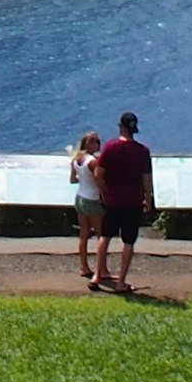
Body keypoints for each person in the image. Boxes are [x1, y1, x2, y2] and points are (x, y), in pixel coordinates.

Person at [93, 113, 154, 294]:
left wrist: (103, 191)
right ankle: (121, 282)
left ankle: (97, 275)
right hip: (133, 202)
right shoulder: (142, 151)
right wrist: (148, 199)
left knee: (105, 236)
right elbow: (146, 179)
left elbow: (98, 173)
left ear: (120, 126)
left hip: (112, 200)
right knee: (128, 241)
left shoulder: (110, 147)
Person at [69, 130, 108, 283]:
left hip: (80, 197)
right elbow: (100, 181)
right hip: (92, 200)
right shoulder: (93, 162)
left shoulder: (76, 159)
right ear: (89, 144)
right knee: (101, 236)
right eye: (96, 142)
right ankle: (102, 270)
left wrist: (84, 179)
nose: (99, 144)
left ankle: (84, 267)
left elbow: (73, 179)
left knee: (84, 234)